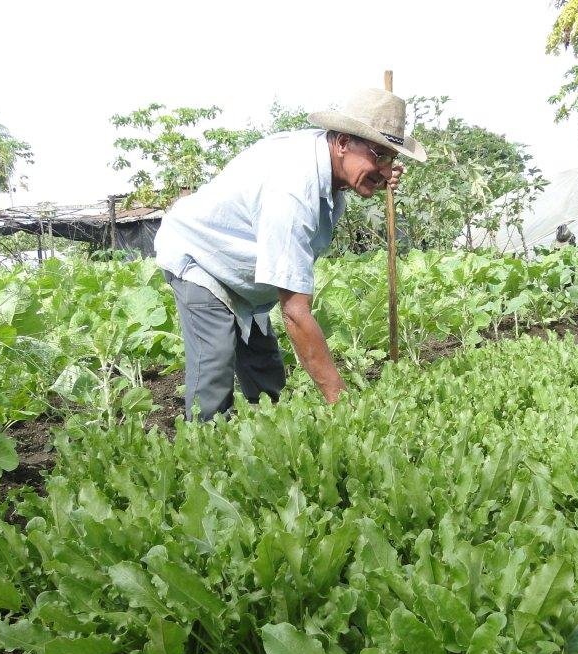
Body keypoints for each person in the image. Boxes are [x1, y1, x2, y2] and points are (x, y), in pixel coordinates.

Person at [154, 88, 426, 420]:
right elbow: (295, 313)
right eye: (379, 155)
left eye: (391, 159)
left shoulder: (327, 158)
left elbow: (352, 171)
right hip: (202, 258)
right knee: (214, 369)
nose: (387, 170)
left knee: (265, 373)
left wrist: (373, 174)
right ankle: (201, 456)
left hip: (243, 276)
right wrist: (340, 402)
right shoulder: (293, 188)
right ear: (342, 143)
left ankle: (271, 444)